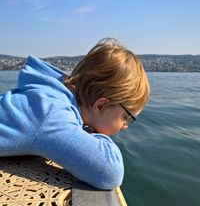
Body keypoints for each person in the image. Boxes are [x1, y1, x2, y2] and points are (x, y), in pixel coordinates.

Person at [0, 38, 150, 189]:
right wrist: (89, 131)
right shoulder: (52, 116)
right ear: (101, 106)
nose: (125, 126)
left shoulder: (49, 99)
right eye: (127, 118)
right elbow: (110, 173)